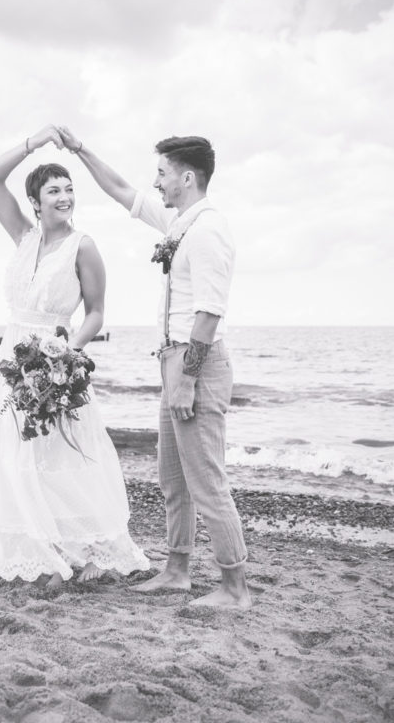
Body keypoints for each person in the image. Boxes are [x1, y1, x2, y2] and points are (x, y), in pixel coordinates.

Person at [56, 126, 251, 610]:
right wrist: (81, 150)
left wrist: (186, 377)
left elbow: (209, 312)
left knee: (206, 480)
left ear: (187, 176)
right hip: (174, 363)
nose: (156, 181)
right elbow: (124, 191)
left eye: (162, 173)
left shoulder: (207, 230)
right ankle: (178, 570)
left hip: (194, 364)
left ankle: (235, 588)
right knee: (173, 477)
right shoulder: (178, 222)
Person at [0, 125, 149, 587]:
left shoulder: (83, 246)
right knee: (18, 455)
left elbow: (95, 313)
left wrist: (64, 354)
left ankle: (84, 551)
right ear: (35, 201)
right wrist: (34, 142)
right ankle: (44, 550)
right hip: (11, 360)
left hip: (56, 361)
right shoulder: (24, 236)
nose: (65, 196)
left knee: (63, 456)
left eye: (69, 189)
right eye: (54, 189)